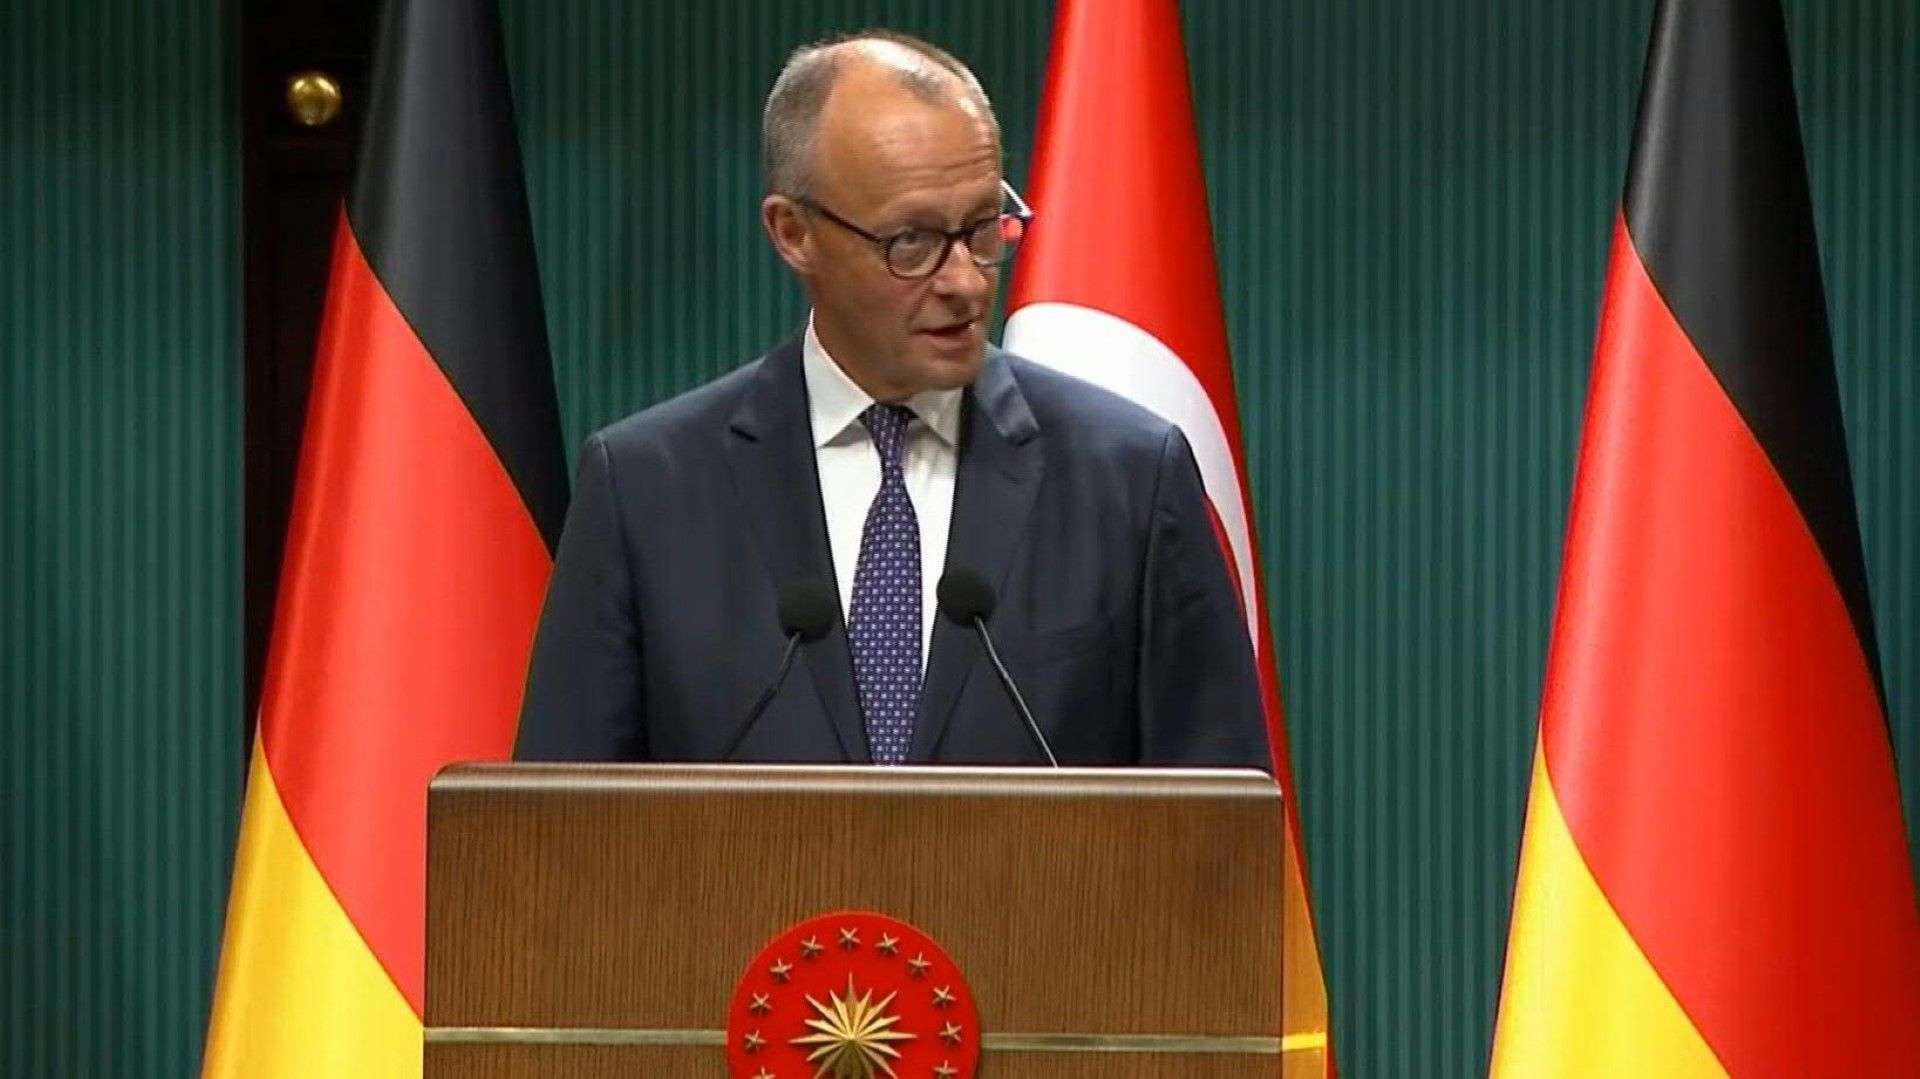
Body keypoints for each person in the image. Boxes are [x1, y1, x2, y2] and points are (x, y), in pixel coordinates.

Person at [515, 31, 1268, 768]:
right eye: (912, 241)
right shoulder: (646, 490)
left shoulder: (1131, 480)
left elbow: (1218, 823)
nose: (965, 281)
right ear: (793, 233)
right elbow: (560, 826)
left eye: (983, 228)